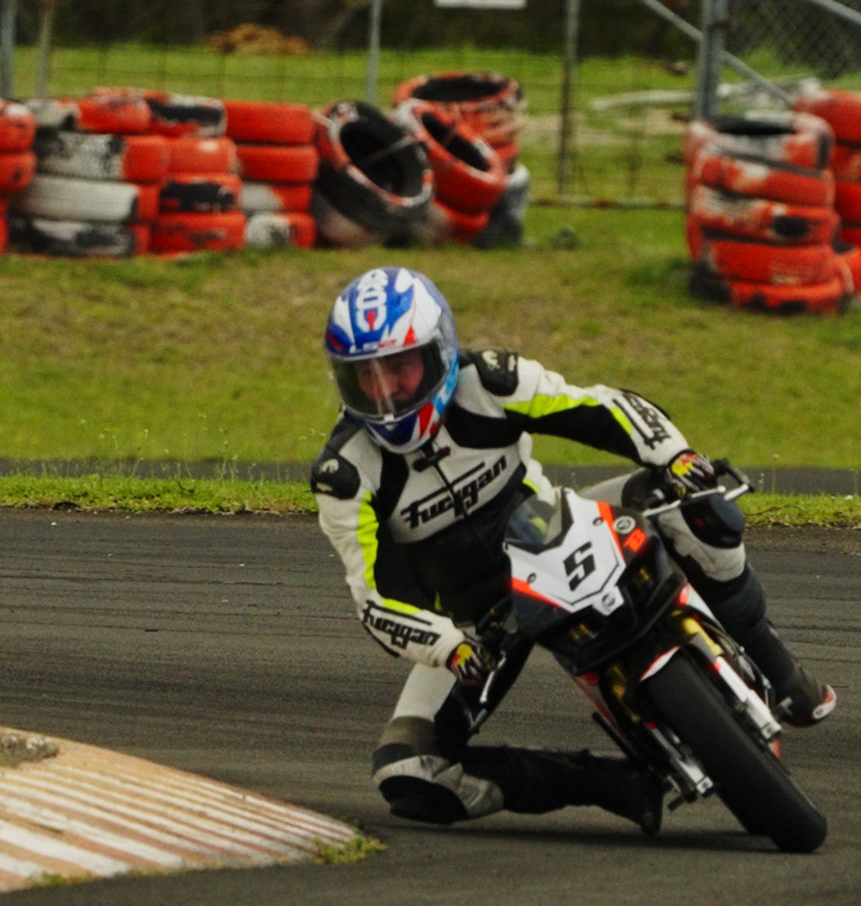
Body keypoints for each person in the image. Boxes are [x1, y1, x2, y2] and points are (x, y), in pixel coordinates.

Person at [311, 265, 836, 832]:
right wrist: (448, 647)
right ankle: (609, 784)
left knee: (690, 498)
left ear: (439, 352)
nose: (387, 395)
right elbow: (374, 599)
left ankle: (780, 670)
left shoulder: (488, 381)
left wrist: (678, 458)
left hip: (554, 530)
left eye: (401, 368)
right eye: (367, 377)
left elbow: (600, 408)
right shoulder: (344, 474)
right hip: (476, 625)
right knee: (409, 772)